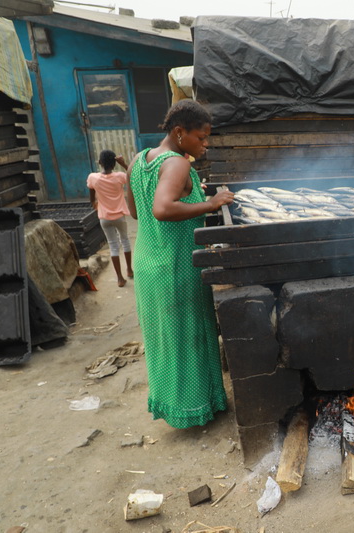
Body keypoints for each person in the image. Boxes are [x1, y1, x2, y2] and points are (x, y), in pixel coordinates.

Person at [126, 99, 234, 429]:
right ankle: (195, 408)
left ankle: (175, 405)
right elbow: (162, 209)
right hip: (175, 264)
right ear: (179, 132)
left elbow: (135, 212)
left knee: (165, 339)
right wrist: (210, 204)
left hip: (147, 260)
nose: (205, 144)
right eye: (200, 138)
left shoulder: (138, 159)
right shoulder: (177, 164)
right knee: (189, 335)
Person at [87, 149, 133, 287]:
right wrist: (124, 164)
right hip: (119, 216)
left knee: (113, 245)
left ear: (100, 162)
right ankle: (129, 270)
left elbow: (91, 198)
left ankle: (119, 278)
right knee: (125, 241)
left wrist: (95, 204)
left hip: (104, 218)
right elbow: (133, 175)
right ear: (114, 164)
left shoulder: (93, 177)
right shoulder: (120, 176)